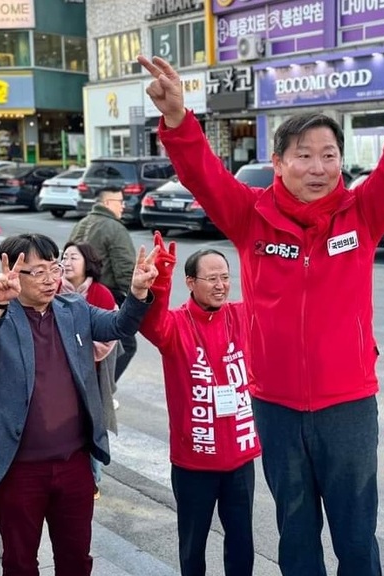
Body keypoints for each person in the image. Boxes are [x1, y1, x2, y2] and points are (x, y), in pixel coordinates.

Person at [139, 11, 384, 575]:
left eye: (328, 154)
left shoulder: (362, 213)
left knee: (356, 537)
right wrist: (179, 118)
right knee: (295, 534)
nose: (318, 166)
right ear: (278, 163)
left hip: (347, 404)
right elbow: (204, 175)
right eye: (303, 154)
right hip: (275, 404)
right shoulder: (251, 217)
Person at [0, 234, 157, 576]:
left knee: (76, 559)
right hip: (18, 466)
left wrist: (137, 293)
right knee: (19, 561)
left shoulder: (73, 308)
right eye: (38, 272)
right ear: (14, 273)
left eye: (55, 268)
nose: (51, 279)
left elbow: (119, 326)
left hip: (73, 463)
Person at [139, 233, 260, 576]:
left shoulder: (241, 315)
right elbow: (151, 324)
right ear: (190, 282)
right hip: (194, 460)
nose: (221, 285)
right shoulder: (175, 324)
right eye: (212, 278)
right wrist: (159, 283)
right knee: (192, 544)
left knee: (241, 542)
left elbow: (276, 301)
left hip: (239, 458)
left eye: (225, 277)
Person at [58, 240, 122, 496]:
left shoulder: (101, 294)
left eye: (74, 257)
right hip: (59, 376)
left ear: (88, 263)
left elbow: (107, 340)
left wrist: (75, 352)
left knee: (92, 425)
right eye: (64, 256)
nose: (67, 262)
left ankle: (92, 478)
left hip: (91, 376)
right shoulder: (53, 290)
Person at [69, 188, 137, 391]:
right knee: (125, 345)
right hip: (105, 296)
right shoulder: (114, 228)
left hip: (75, 294)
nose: (123, 205)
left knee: (83, 345)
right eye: (120, 201)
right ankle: (101, 391)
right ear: (107, 203)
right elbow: (126, 271)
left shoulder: (82, 223)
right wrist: (137, 302)